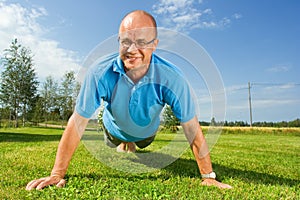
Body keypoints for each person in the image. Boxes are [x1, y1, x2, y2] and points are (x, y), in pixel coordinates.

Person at [26, 10, 232, 190]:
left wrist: (208, 176)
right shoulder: (100, 72)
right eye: (125, 41)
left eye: (141, 42)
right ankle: (124, 141)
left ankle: (131, 142)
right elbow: (77, 121)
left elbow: (191, 127)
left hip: (146, 133)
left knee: (138, 142)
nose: (132, 49)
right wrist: (56, 174)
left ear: (155, 44)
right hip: (112, 129)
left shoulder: (172, 78)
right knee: (116, 140)